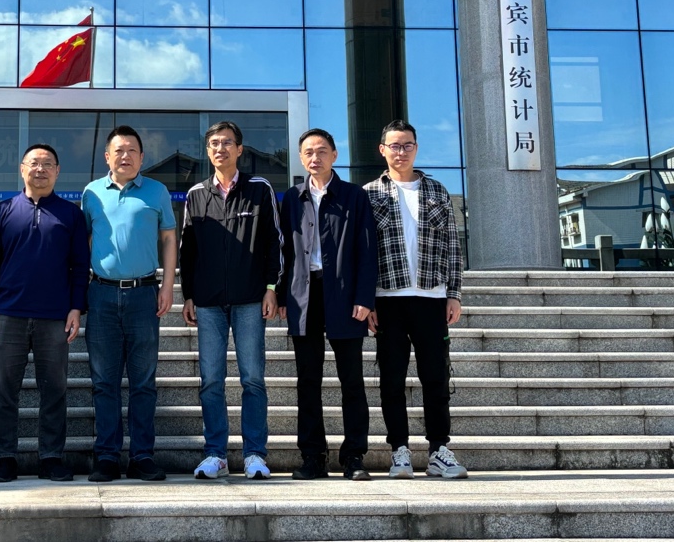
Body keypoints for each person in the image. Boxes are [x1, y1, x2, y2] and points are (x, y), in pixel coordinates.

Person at [0, 143, 91, 483]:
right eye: (33, 163)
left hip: (55, 315)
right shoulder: (3, 211)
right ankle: (5, 458)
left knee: (54, 389)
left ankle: (51, 457)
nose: (40, 169)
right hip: (8, 313)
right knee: (3, 389)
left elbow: (80, 265)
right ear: (22, 169)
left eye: (47, 164)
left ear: (57, 171)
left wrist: (76, 308)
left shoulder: (71, 214)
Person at [364, 118, 467, 479]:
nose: (401, 152)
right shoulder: (369, 193)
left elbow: (453, 246)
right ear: (382, 150)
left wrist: (453, 294)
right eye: (394, 145)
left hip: (431, 296)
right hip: (387, 298)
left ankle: (439, 450)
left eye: (407, 145)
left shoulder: (437, 190)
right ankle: (400, 451)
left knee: (436, 377)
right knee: (391, 379)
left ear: (416, 148)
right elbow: (363, 252)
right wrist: (367, 299)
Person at [180, 120, 282, 480]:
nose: (219, 149)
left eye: (226, 143)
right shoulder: (196, 194)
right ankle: (215, 453)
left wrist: (272, 287)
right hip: (208, 303)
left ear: (239, 149)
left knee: (252, 378)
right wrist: (188, 295)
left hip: (250, 299)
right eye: (213, 144)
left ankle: (255, 453)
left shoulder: (259, 189)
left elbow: (274, 241)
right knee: (211, 380)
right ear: (207, 151)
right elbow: (187, 251)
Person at [279, 129, 377, 481]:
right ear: (301, 158)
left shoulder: (354, 196)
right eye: (308, 152)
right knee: (308, 380)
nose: (315, 157)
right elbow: (284, 252)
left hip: (345, 295)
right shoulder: (292, 198)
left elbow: (367, 250)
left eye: (322, 151)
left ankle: (354, 457)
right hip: (303, 295)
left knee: (351, 379)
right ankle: (312, 457)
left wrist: (365, 298)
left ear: (335, 155)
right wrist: (281, 295)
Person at [81, 125, 177, 483]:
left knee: (143, 381)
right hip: (101, 294)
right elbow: (85, 240)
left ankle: (141, 456)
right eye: (118, 150)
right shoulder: (92, 192)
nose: (125, 156)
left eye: (132, 150)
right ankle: (106, 456)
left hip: (143, 294)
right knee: (104, 381)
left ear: (142, 156)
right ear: (107, 156)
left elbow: (169, 238)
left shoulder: (156, 191)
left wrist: (167, 285)